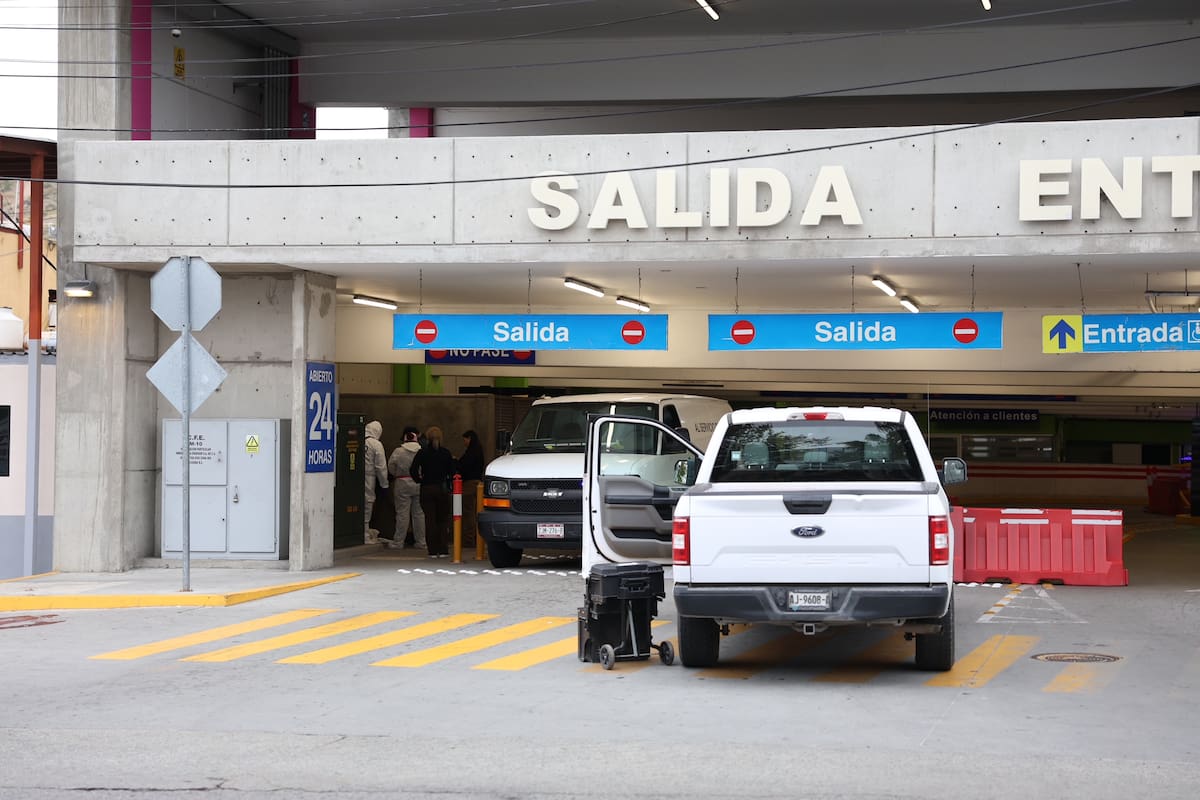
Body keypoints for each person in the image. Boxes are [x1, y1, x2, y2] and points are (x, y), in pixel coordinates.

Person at [411, 425, 456, 558]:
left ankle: (432, 550)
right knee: (442, 520)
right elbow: (453, 472)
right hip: (441, 489)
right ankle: (443, 550)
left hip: (426, 489)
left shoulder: (422, 452)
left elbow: (413, 469)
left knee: (429, 520)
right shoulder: (446, 453)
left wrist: (419, 480)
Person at [387, 426, 426, 551]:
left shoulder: (398, 451)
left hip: (402, 482)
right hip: (419, 482)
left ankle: (398, 542)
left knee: (402, 514)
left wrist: (397, 474)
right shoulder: (422, 450)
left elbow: (391, 466)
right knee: (419, 514)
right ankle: (421, 542)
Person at [458, 429, 485, 549]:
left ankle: (469, 540)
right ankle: (478, 539)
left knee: (468, 513)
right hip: (478, 484)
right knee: (476, 512)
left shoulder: (470, 453)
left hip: (469, 485)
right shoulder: (479, 451)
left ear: (469, 439)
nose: (464, 442)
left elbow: (463, 466)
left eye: (465, 439)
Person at [362, 420, 389, 545]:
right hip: (369, 477)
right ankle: (365, 533)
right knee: (368, 502)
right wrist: (385, 485)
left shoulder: (358, 440)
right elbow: (381, 467)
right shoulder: (376, 444)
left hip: (353, 477)